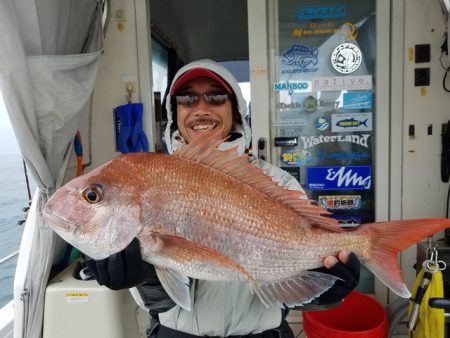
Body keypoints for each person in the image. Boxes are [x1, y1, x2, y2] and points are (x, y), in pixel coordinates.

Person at [86, 59, 360, 338]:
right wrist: (145, 278)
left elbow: (288, 293)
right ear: (175, 111)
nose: (201, 109)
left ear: (236, 111)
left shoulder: (278, 183)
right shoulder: (154, 180)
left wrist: (327, 290)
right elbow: (161, 302)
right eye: (187, 98)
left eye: (216, 97)